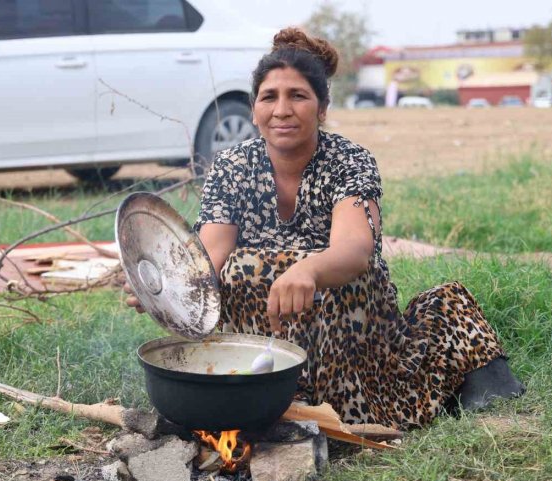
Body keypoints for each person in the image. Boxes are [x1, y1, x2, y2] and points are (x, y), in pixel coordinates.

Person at [126, 27, 524, 430]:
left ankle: (335, 406)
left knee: (354, 286)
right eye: (269, 97)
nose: (282, 110)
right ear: (254, 110)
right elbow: (210, 256)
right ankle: (267, 395)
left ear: (322, 108)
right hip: (262, 338)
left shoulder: (349, 161)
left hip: (346, 321)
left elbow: (354, 250)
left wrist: (309, 270)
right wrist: (169, 289)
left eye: (298, 96)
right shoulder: (232, 167)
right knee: (238, 269)